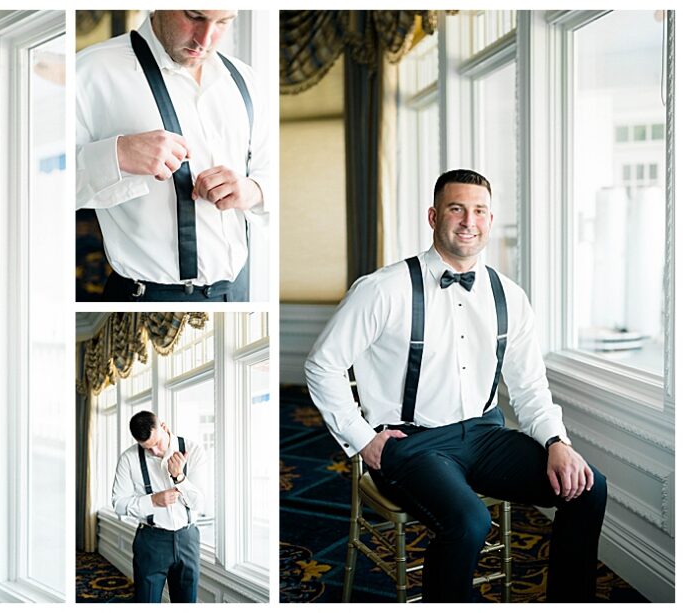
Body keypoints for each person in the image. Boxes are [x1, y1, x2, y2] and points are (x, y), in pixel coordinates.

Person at [305, 169, 607, 602]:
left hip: (485, 435)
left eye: (480, 210)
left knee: (588, 487)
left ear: (490, 219)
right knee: (469, 521)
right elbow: (322, 365)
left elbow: (529, 386)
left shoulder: (510, 296)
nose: (469, 220)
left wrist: (557, 441)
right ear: (433, 216)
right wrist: (363, 440)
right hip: (410, 444)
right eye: (456, 208)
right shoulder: (383, 289)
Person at [76, 10, 271, 302]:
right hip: (147, 299)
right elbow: (45, 189)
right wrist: (118, 154)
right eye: (194, 16)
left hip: (240, 293)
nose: (205, 40)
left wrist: (252, 190)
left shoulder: (245, 80)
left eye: (222, 22)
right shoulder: (91, 71)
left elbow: (272, 171)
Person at [111, 411, 206, 602]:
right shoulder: (129, 458)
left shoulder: (193, 450)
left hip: (187, 538)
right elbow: (118, 504)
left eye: (156, 443)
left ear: (163, 427)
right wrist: (153, 501)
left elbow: (199, 504)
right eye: (147, 448)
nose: (154, 451)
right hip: (150, 541)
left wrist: (179, 478)